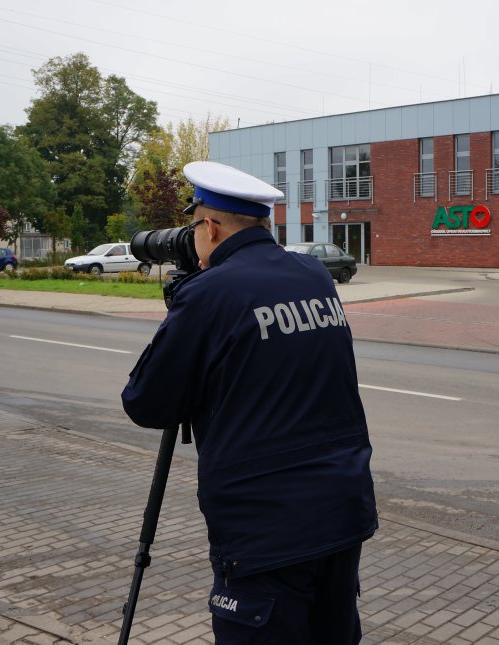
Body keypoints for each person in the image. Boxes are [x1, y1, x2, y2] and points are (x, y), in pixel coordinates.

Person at [122, 161, 377, 644]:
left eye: (195, 228)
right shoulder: (313, 274)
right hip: (341, 512)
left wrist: (184, 305)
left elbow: (145, 402)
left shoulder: (209, 294)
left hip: (265, 532)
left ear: (211, 227)